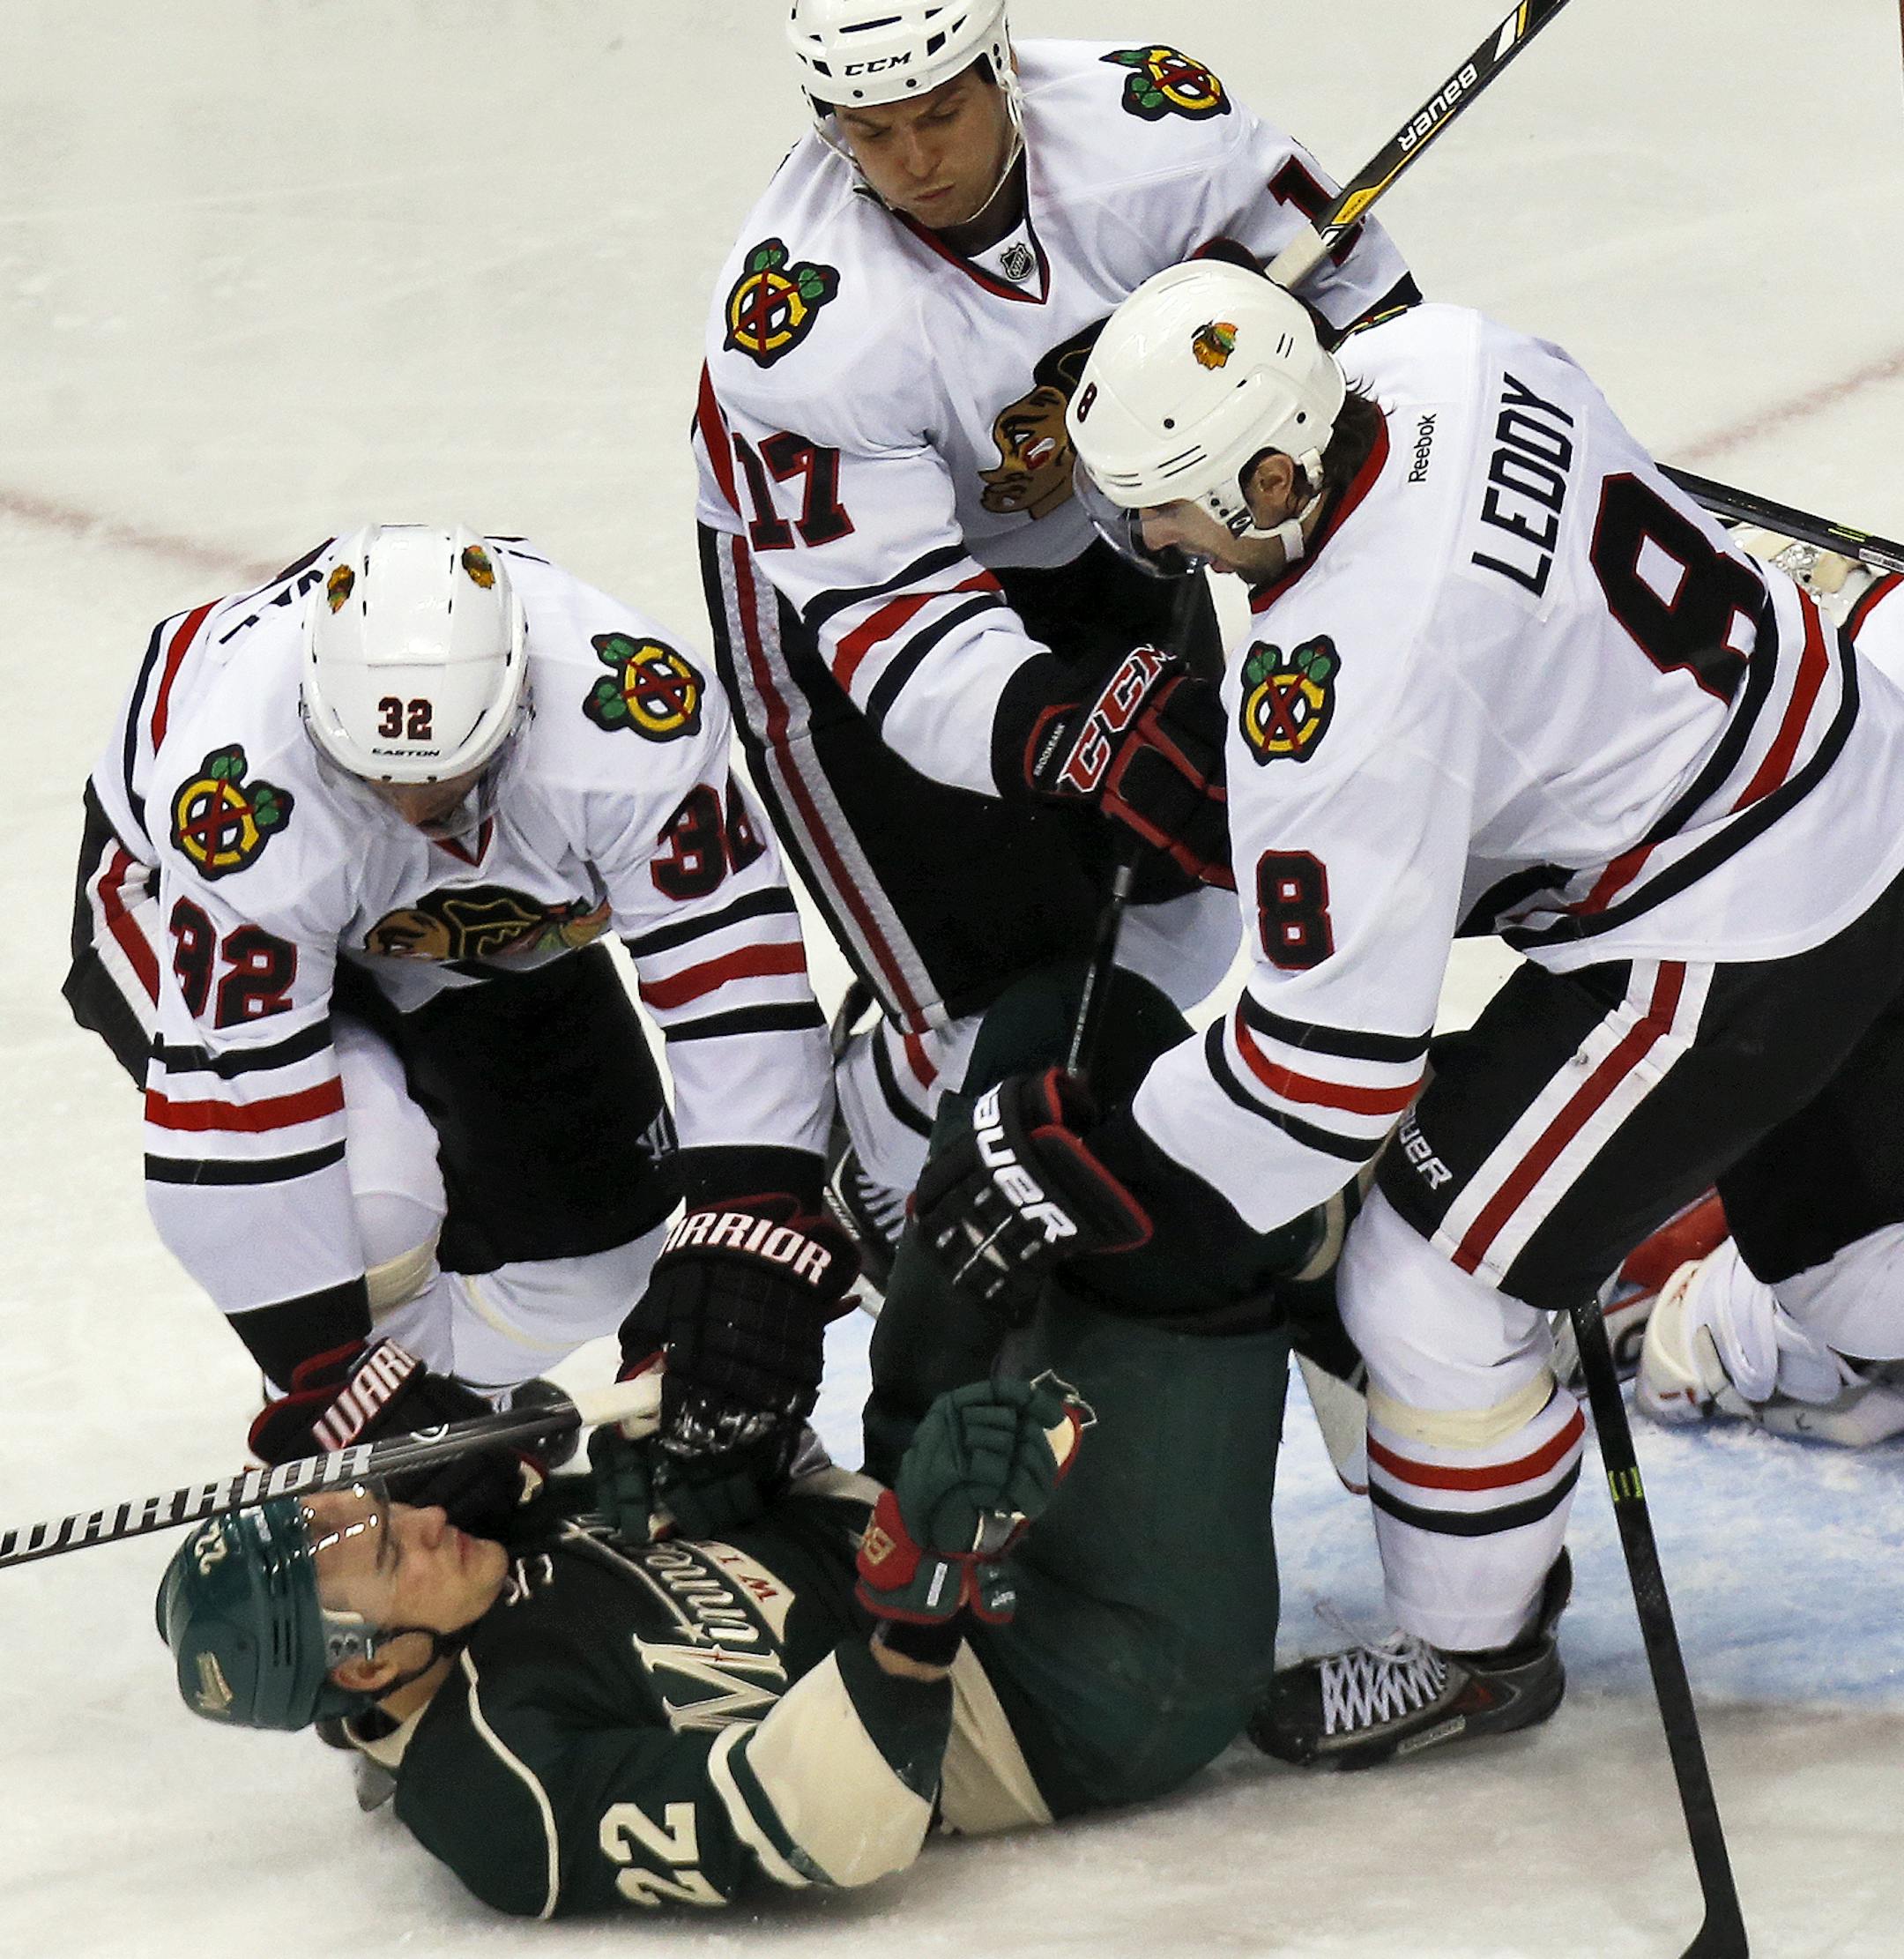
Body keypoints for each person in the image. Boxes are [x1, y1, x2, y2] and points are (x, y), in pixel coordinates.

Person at [915, 255, 1904, 1769]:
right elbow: (1503, 693)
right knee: (1848, 1262)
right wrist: (1283, 822)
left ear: (1264, 472)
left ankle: (1471, 1652)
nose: (1152, 545)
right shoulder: (1446, 352)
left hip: (1724, 936)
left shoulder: (1337, 686)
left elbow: (1325, 1082)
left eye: (1168, 507)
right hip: (1851, 768)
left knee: (1429, 1284)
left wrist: (1101, 1145)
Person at [695, 0, 1419, 1277]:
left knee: (1188, 908)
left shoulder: (1160, 128)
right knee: (989, 1014)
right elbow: (889, 618)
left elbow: (1369, 323)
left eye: (941, 113)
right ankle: (862, 1151)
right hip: (839, 614)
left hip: (1107, 523)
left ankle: (933, 1095)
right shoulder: (803, 320)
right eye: (871, 131)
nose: (916, 160)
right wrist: (1067, 731)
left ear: (1002, 69)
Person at [64, 525, 850, 1521]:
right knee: (373, 1204)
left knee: (604, 1264)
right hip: (162, 897)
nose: (410, 811)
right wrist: (334, 1385)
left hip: (459, 931)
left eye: (444, 777)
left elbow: (731, 973)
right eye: (377, 779)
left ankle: (455, 1425)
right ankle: (362, 1524)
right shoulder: (242, 792)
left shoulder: (631, 714)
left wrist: (754, 1223)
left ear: (520, 700)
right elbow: (239, 1121)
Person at [154, 1285, 1291, 1917]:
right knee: (1197, 1238)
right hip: (1082, 1687)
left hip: (936, 1483)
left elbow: (773, 1480)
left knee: (1042, 1082)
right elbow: (808, 1823)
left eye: (376, 1509)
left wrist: (724, 1429)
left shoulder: (490, 1553)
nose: (417, 1518)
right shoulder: (497, 1787)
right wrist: (919, 1581)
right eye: (385, 1554)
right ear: (363, 1662)